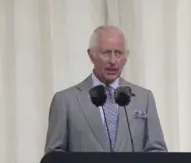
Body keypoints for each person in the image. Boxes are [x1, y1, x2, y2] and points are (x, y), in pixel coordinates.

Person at [44, 25, 167, 153]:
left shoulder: (144, 98)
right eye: (106, 53)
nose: (113, 61)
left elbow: (157, 152)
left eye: (118, 53)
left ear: (126, 58)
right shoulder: (65, 101)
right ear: (91, 55)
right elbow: (54, 158)